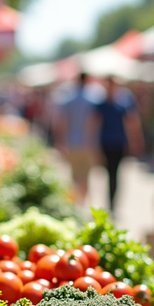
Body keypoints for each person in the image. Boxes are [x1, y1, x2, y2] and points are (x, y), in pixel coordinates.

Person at [90, 77, 143, 212]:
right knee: (110, 173)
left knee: (115, 173)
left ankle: (112, 202)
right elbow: (95, 124)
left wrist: (135, 141)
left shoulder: (122, 104)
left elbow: (131, 123)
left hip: (119, 143)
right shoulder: (101, 104)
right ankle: (110, 201)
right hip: (106, 143)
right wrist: (92, 143)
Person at [54, 73, 103, 207]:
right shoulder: (93, 100)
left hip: (72, 142)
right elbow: (95, 123)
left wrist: (61, 142)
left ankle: (77, 203)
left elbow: (62, 123)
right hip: (89, 144)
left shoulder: (69, 99)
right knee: (86, 176)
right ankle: (83, 203)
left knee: (75, 176)